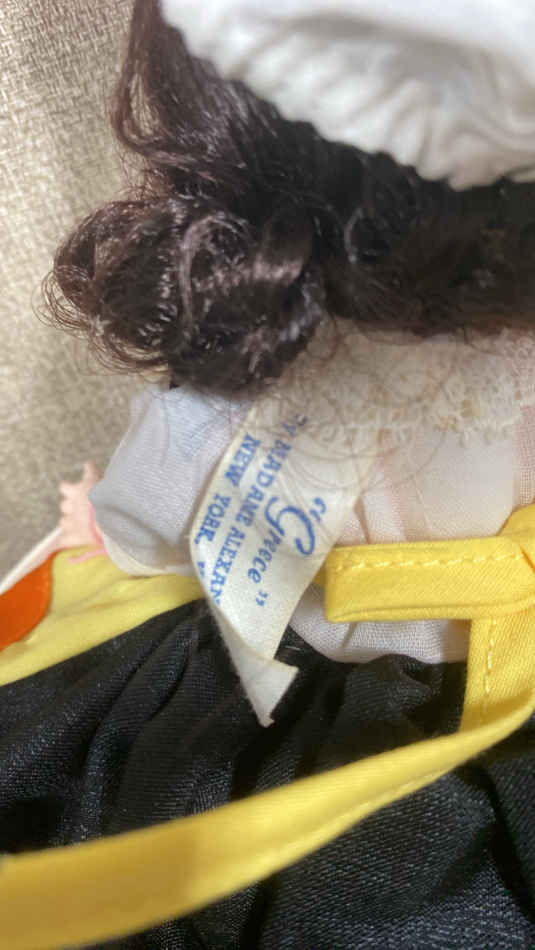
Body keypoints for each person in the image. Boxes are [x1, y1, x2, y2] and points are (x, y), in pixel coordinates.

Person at [1, 0, 535, 946]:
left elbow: (160, 496)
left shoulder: (274, 371)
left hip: (329, 668)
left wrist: (107, 528)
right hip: (347, 680)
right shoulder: (294, 384)